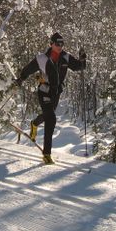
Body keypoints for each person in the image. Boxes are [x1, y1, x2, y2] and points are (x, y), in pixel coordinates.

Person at [15, 32, 86, 164]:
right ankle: (46, 154)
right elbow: (28, 69)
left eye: (62, 44)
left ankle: (34, 123)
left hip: (56, 92)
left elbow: (79, 67)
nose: (60, 46)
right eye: (57, 44)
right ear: (51, 44)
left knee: (49, 114)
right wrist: (21, 79)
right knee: (51, 119)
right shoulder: (42, 58)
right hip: (44, 91)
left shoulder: (66, 57)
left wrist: (82, 59)